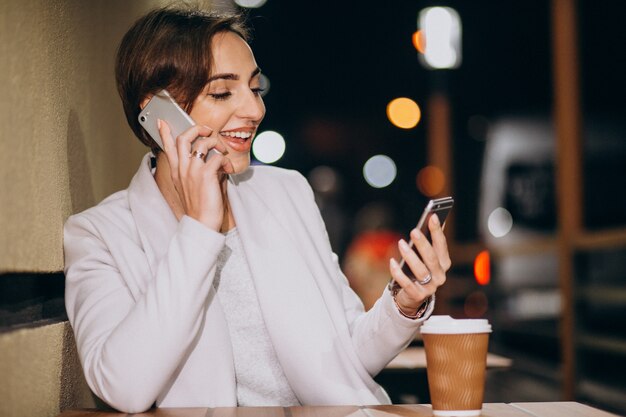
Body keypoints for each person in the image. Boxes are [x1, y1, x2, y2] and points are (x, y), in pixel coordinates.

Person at [63, 5, 451, 413]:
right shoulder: (99, 234)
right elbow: (123, 386)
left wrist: (404, 304)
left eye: (254, 88)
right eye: (222, 92)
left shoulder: (286, 192)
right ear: (158, 113)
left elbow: (346, 357)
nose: (255, 110)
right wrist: (199, 231)